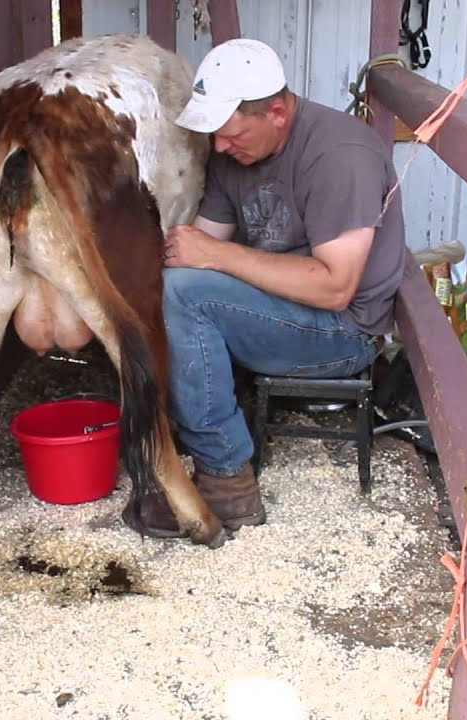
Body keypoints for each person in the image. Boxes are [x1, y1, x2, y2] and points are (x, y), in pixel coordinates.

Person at [124, 38, 408, 539]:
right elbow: (198, 246)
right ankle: (180, 436)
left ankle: (226, 483)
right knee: (174, 288)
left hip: (342, 331)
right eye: (213, 135)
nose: (218, 147)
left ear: (277, 111)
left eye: (230, 134)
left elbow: (336, 288)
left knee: (185, 295)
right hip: (283, 306)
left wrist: (213, 259)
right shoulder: (236, 153)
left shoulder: (340, 155)